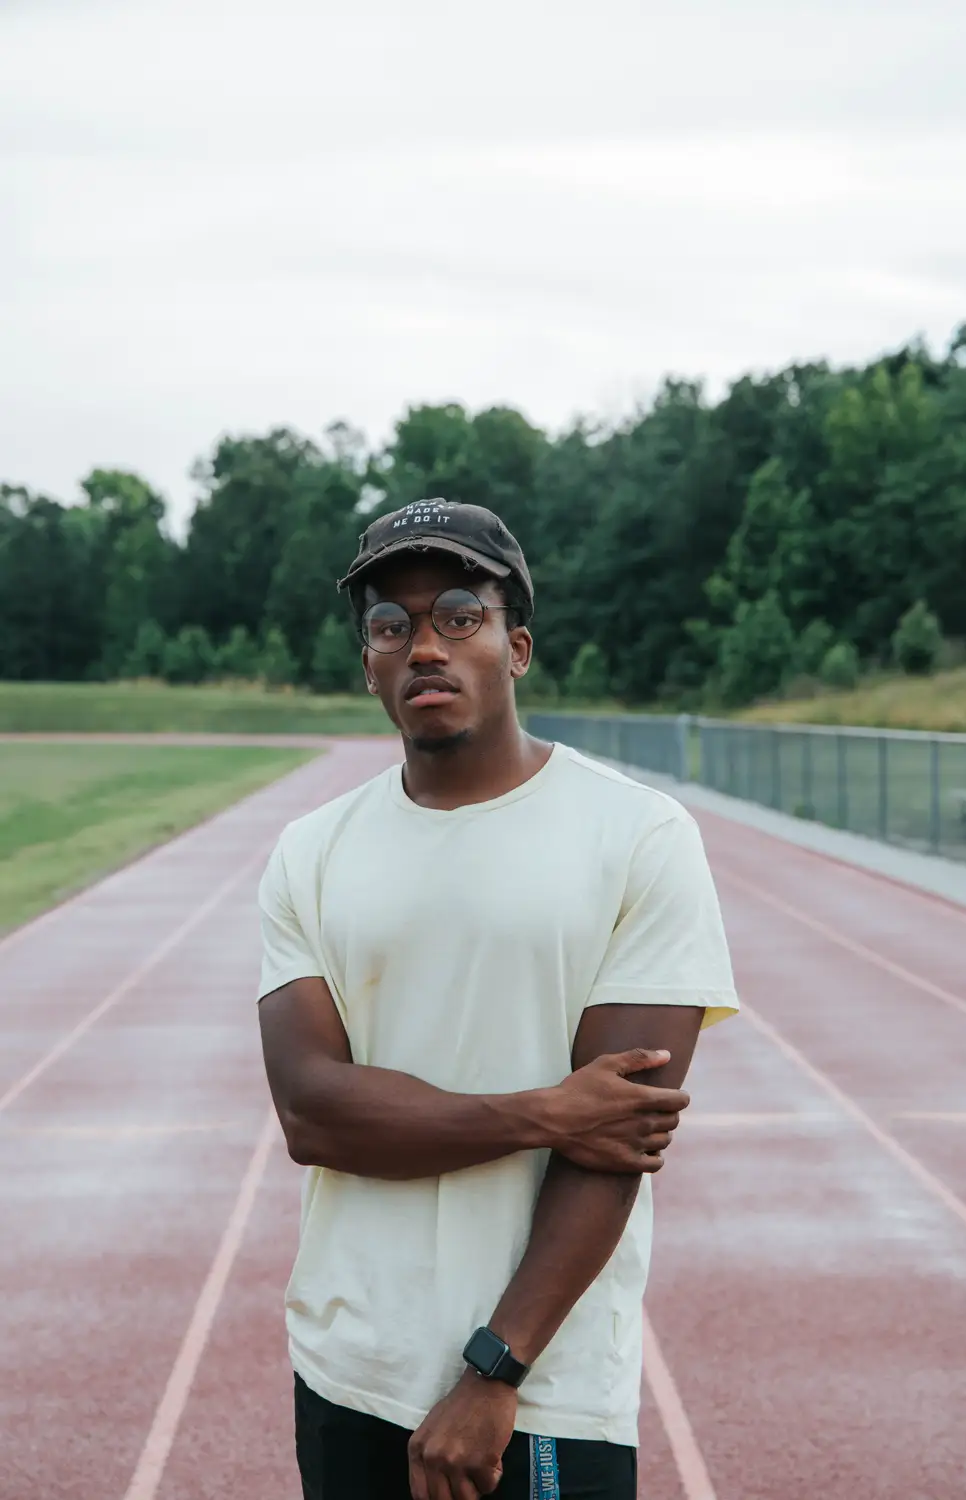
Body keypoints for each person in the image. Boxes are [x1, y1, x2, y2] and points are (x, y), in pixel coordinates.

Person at [256, 498, 739, 1500]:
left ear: (516, 647)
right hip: (352, 1365)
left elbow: (616, 1140)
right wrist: (540, 1111)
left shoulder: (638, 837)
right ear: (370, 665)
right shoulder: (311, 852)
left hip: (544, 1385)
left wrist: (495, 1369)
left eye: (458, 616)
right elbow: (312, 1111)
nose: (424, 644)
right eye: (392, 625)